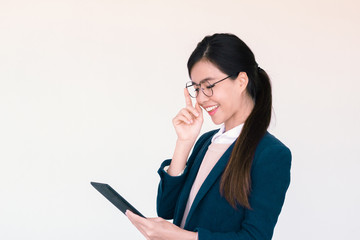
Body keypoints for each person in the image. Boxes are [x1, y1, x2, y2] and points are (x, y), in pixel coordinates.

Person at [126, 33, 291, 240]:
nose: (202, 98)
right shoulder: (206, 141)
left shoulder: (271, 154)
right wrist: (184, 142)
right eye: (197, 89)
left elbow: (255, 237)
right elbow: (166, 209)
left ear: (241, 81)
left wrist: (182, 237)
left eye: (209, 86)